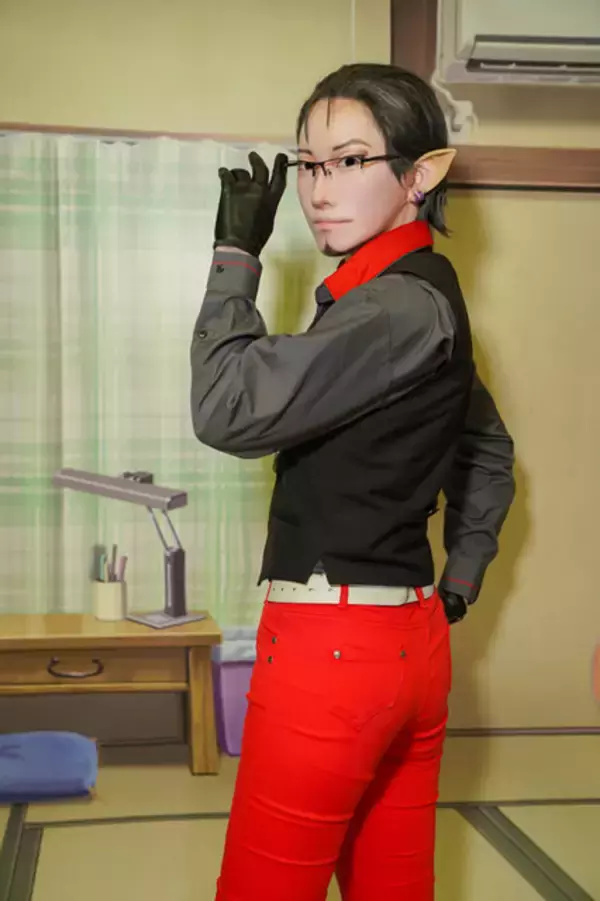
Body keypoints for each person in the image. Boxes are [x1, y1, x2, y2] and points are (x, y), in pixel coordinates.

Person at [190, 63, 515, 901]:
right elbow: (488, 449)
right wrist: (461, 578)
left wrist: (235, 256)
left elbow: (226, 408)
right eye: (308, 163)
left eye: (350, 160)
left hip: (331, 655)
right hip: (409, 643)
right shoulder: (424, 299)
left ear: (421, 174)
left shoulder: (392, 309)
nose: (318, 189)